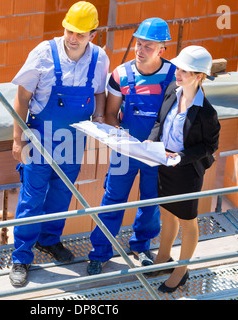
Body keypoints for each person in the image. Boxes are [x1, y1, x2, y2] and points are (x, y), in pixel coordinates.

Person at [9, 1, 109, 287]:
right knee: (32, 196)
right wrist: (18, 140)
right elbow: (22, 100)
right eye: (69, 30)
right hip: (40, 137)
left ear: (93, 33)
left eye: (80, 33)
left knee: (61, 194)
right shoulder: (43, 54)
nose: (72, 37)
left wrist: (100, 116)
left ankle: (49, 241)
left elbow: (100, 91)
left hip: (75, 139)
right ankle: (21, 256)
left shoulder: (100, 59)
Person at [87, 17, 176, 275]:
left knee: (151, 201)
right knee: (112, 200)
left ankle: (141, 246)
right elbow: (112, 113)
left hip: (156, 152)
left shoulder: (173, 76)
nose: (140, 50)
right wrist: (120, 139)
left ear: (162, 49)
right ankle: (100, 251)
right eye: (139, 43)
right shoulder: (121, 75)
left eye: (148, 46)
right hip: (125, 150)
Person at [147, 45, 221, 293]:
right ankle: (163, 258)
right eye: (178, 68)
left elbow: (210, 146)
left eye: (185, 71)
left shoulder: (207, 113)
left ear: (199, 76)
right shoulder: (171, 91)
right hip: (164, 165)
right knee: (166, 212)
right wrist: (152, 141)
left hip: (186, 171)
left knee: (187, 220)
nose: (177, 73)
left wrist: (181, 156)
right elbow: (160, 121)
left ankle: (181, 269)